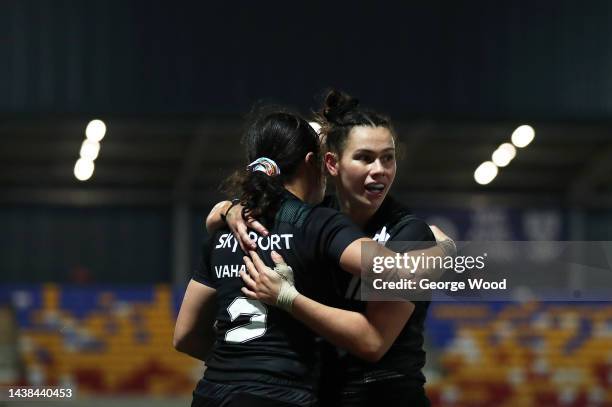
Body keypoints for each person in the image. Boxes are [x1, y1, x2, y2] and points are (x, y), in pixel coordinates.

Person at [176, 107, 453, 407]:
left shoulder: (406, 230)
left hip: (383, 396)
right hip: (293, 395)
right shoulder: (316, 221)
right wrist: (447, 250)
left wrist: (240, 368)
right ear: (328, 164)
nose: (380, 169)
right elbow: (399, 274)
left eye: (388, 157)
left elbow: (185, 336)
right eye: (364, 157)